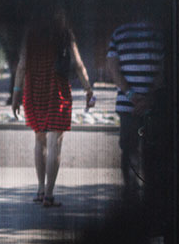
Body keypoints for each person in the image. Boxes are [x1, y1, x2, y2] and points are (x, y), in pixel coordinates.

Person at [11, 15, 93, 206]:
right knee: (55, 141)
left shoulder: (30, 32)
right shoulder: (64, 32)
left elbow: (22, 64)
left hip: (34, 89)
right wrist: (88, 89)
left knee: (39, 139)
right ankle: (48, 195)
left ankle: (40, 189)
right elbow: (79, 65)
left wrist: (16, 94)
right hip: (57, 90)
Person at [104, 20, 166, 198]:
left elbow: (112, 67)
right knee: (150, 152)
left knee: (130, 151)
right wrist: (149, 98)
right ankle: (149, 195)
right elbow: (164, 69)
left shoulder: (120, 32)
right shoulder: (158, 33)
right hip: (152, 105)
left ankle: (132, 193)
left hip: (128, 105)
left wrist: (130, 95)